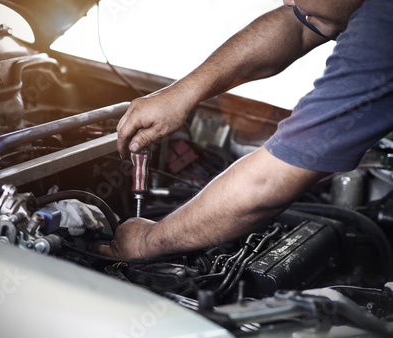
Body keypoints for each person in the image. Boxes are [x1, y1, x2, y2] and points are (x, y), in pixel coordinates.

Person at [99, 0, 393, 260]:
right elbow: (296, 28)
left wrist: (147, 242)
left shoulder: (383, 28)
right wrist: (183, 93)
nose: (287, 0)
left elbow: (266, 184)